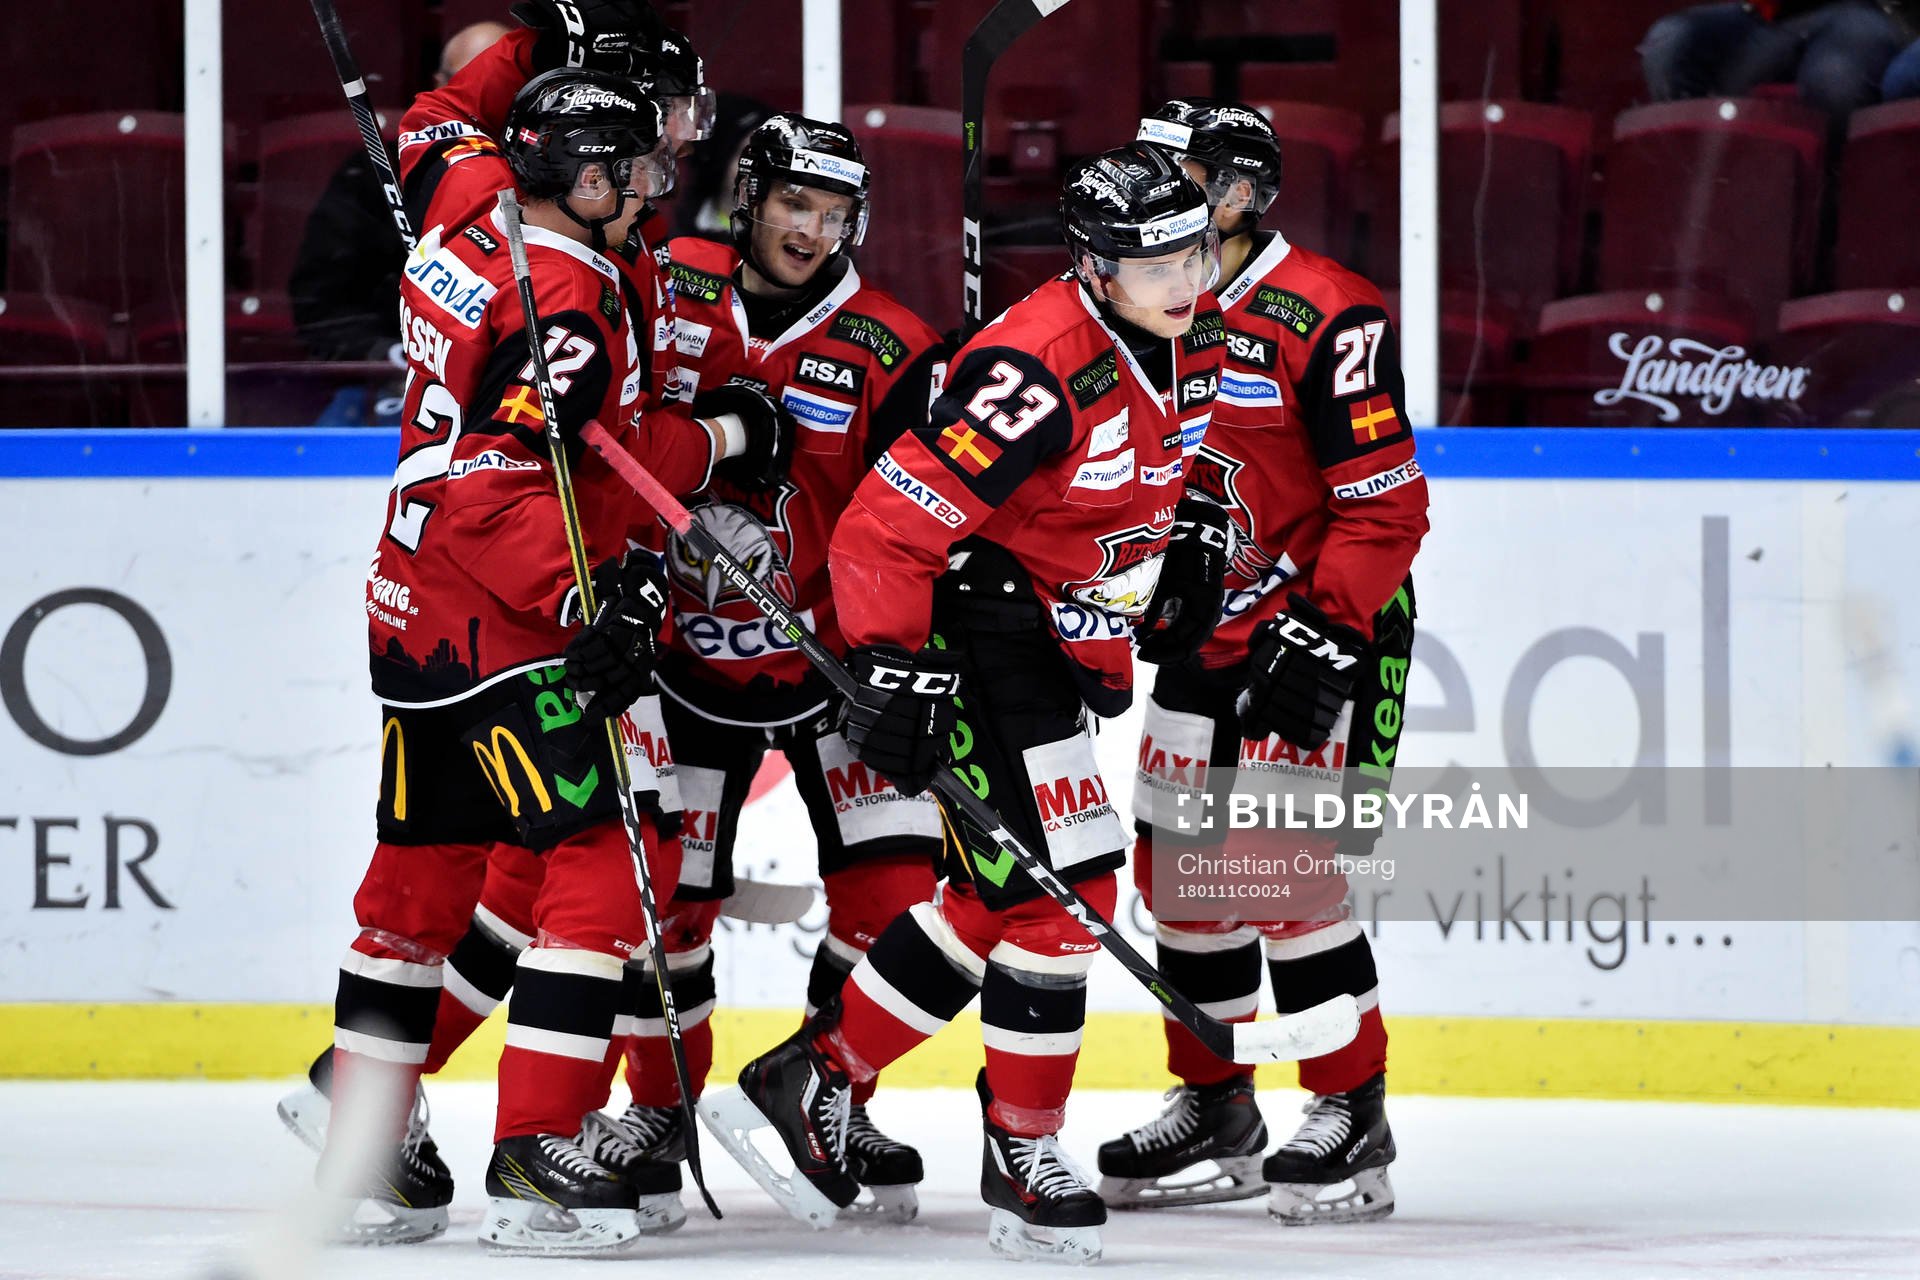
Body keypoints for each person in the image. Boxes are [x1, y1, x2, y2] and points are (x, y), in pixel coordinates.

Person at [700, 142, 1230, 1265]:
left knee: (1009, 890)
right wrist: (895, 662)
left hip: (1053, 628)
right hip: (979, 630)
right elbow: (886, 527)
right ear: (1093, 268)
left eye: (1193, 250)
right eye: (1153, 264)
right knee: (1063, 892)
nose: (1183, 279)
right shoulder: (1034, 367)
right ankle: (1021, 1150)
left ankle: (815, 1073)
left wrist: (1190, 539)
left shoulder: (1195, 330)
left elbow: (1166, 465)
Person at [317, 30, 792, 1254]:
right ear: (583, 180)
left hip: (411, 604)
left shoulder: (474, 208)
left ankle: (363, 1153)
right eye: (633, 167)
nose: (656, 182)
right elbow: (502, 476)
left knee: (417, 886)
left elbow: (596, 448)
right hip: (511, 624)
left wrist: (718, 443)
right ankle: (538, 1151)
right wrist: (596, 602)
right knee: (602, 857)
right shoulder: (569, 291)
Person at [593, 113, 949, 1222]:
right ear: (748, 201)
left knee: (893, 891)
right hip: (677, 662)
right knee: (667, 902)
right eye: (794, 203)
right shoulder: (663, 281)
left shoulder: (897, 345)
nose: (812, 228)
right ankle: (657, 1109)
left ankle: (833, 1091)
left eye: (834, 211)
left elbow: (931, 514)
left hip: (836, 662)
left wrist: (906, 655)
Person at [1096, 99, 1428, 1226]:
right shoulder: (1144, 302)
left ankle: (1352, 1106)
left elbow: (1387, 505)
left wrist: (1331, 624)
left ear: (1234, 193)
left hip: (1316, 634)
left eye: (1173, 172)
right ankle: (1217, 1103)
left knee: (1283, 883)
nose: (1151, 188)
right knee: (1177, 885)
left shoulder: (1328, 312)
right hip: (1208, 636)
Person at [287, 20, 510, 365]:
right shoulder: (375, 175)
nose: (484, 101)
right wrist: (390, 354)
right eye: (467, 84)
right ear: (439, 85)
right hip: (400, 379)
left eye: (502, 86)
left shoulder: (549, 174)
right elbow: (323, 304)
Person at [1639, 1, 1909, 120]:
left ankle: (1839, 211)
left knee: (1835, 78)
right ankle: (1698, 193)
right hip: (1768, 18)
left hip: (1862, 11)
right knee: (1670, 42)